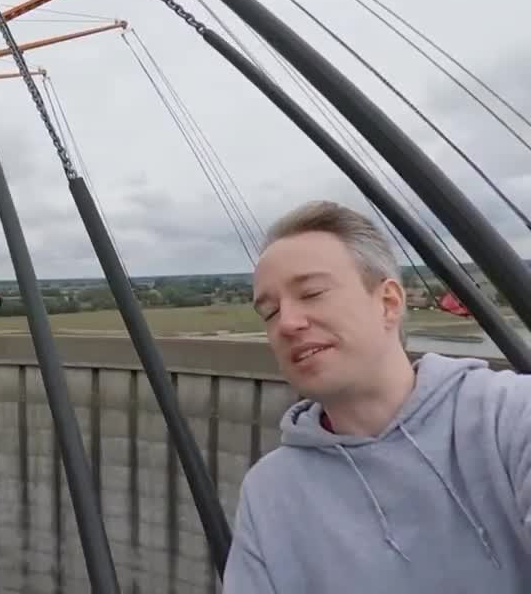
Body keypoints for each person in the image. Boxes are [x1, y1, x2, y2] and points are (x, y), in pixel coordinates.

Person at [224, 200, 531, 592]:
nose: (287, 323)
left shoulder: (510, 417)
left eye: (312, 292)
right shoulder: (270, 492)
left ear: (388, 303)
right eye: (269, 313)